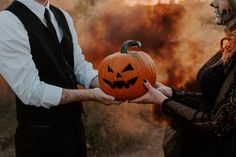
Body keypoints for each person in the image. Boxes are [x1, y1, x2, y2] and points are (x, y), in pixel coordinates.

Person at [0, 0, 119, 157]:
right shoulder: (8, 21)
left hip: (75, 132)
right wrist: (91, 95)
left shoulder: (63, 16)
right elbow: (30, 91)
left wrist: (108, 84)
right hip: (40, 140)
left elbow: (78, 67)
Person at [131, 0, 236, 157]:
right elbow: (213, 101)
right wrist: (171, 93)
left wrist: (163, 101)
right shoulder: (233, 44)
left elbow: (217, 123)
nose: (213, 3)